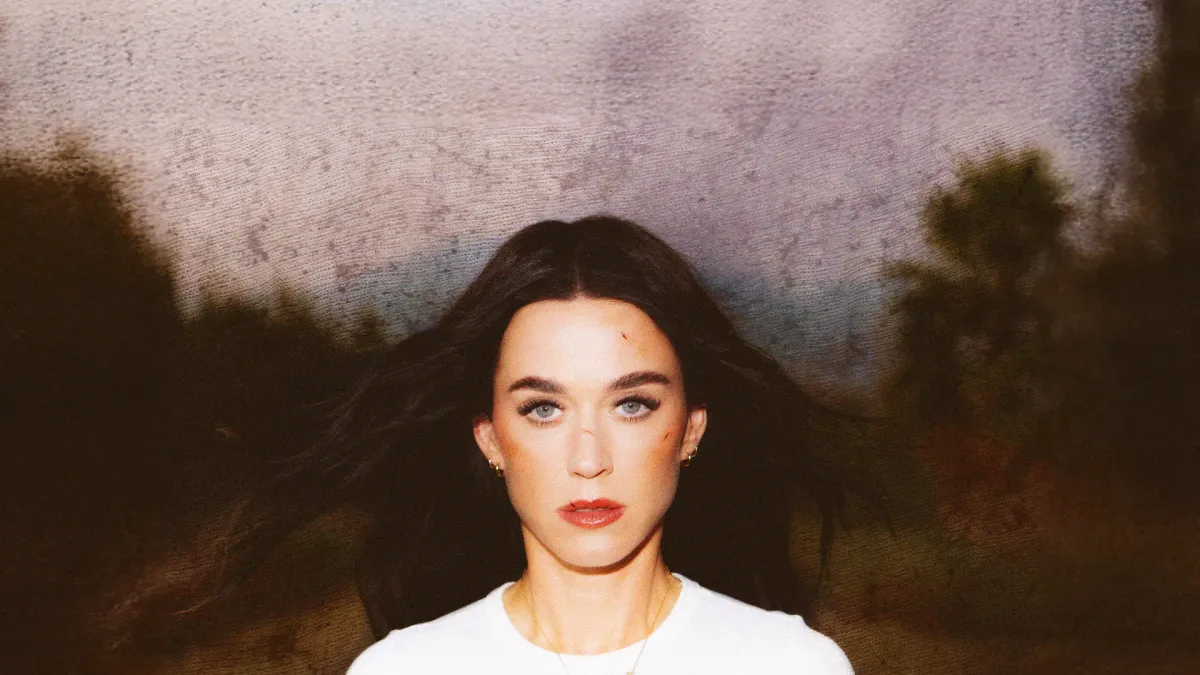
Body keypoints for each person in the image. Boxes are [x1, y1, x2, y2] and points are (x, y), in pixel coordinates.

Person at [318, 215, 855, 673]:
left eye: (632, 405)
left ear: (691, 429)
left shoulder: (791, 664)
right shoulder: (400, 669)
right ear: (491, 439)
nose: (589, 460)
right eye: (543, 409)